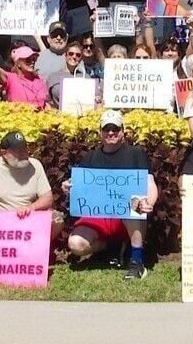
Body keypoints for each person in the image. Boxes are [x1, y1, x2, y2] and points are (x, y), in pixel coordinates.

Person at [63, 110, 158, 280]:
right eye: (106, 129)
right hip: (99, 216)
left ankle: (137, 262)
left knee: (135, 206)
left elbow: (150, 183)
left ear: (123, 131)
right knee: (76, 244)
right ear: (100, 132)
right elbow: (76, 183)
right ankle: (111, 248)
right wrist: (68, 186)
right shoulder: (91, 157)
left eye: (115, 128)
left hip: (127, 216)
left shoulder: (136, 154)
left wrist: (149, 202)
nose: (111, 133)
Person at [0, 131, 62, 240]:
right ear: (4, 153)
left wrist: (31, 208)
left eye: (25, 148)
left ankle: (40, 248)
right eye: (18, 151)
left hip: (26, 220)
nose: (24, 153)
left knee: (57, 218)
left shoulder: (35, 166)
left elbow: (47, 198)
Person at [0, 45, 47, 110]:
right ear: (18, 63)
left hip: (41, 116)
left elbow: (45, 103)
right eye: (28, 60)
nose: (32, 62)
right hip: (19, 115)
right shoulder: (11, 79)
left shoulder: (39, 79)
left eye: (34, 59)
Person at [46, 40, 88, 109]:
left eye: (78, 55)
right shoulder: (53, 77)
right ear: (65, 55)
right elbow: (47, 100)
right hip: (58, 114)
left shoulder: (86, 77)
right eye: (71, 53)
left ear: (81, 58)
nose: (74, 57)